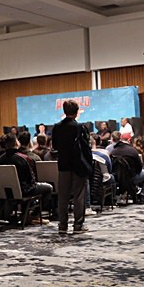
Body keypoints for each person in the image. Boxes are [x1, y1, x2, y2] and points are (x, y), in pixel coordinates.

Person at [53, 100, 92, 235]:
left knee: (63, 196)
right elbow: (86, 148)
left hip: (63, 164)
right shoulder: (79, 127)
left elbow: (55, 146)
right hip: (78, 165)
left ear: (64, 111)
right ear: (76, 112)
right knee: (79, 195)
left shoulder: (57, 127)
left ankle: (62, 225)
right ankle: (78, 225)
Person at [108, 132, 144, 203]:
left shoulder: (114, 151)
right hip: (131, 177)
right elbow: (139, 167)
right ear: (129, 140)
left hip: (118, 178)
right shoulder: (132, 151)